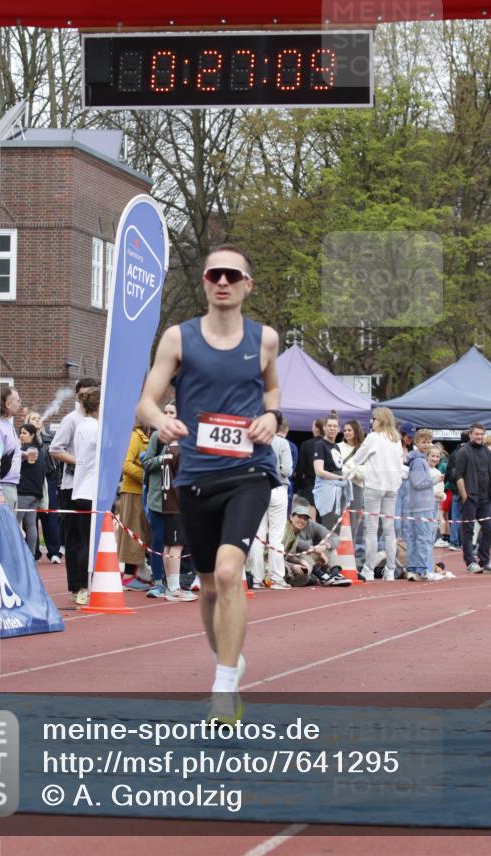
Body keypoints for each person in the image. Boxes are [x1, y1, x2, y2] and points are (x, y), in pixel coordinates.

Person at [137, 244, 280, 721]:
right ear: (203, 282)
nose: (223, 282)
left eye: (232, 276)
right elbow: (147, 401)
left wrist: (272, 416)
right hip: (196, 475)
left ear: (247, 285)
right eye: (214, 275)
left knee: (226, 572)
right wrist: (160, 420)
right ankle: (229, 658)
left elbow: (273, 388)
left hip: (249, 472)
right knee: (208, 587)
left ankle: (224, 686)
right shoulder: (178, 338)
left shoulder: (265, 340)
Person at [142, 401, 197, 602]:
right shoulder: (170, 444)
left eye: (171, 412)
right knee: (168, 543)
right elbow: (148, 463)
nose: (167, 415)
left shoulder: (180, 444)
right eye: (165, 412)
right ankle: (166, 585)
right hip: (169, 499)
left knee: (171, 543)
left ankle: (172, 584)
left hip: (171, 498)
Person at [49, 376, 100, 575]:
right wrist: (79, 461)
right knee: (75, 539)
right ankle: (77, 586)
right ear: (78, 396)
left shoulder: (98, 419)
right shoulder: (72, 419)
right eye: (83, 394)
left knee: (91, 537)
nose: (87, 398)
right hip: (73, 485)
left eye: (91, 394)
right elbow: (54, 449)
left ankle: (89, 582)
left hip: (92, 486)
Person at [349, 408, 403, 582]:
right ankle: (390, 570)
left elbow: (357, 459)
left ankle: (369, 569)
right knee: (389, 530)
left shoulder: (373, 438)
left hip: (374, 485)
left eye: (373, 419)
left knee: (371, 529)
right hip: (392, 486)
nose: (372, 422)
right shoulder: (396, 439)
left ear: (379, 420)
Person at [248, 422, 292, 589]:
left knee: (258, 536)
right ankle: (276, 578)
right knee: (276, 536)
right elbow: (287, 470)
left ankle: (257, 578)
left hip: (257, 488)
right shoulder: (282, 443)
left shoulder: (253, 441)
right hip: (278, 488)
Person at [67, 387, 100, 606]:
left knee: (81, 541)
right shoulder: (95, 429)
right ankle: (83, 587)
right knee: (87, 543)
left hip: (80, 489)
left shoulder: (82, 426)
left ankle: (81, 586)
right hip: (89, 491)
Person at [455, 423, 491, 574]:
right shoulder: (463, 452)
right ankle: (470, 562)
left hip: (485, 499)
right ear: (471, 434)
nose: (479, 436)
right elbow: (458, 475)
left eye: (481, 434)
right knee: (468, 530)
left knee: (489, 529)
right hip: (470, 498)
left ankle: (484, 561)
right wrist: (465, 496)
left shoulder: (487, 451)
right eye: (477, 434)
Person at [116, 423, 152, 590]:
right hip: (133, 492)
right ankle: (128, 577)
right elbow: (126, 463)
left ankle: (134, 573)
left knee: (140, 533)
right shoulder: (135, 436)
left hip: (141, 492)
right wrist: (146, 477)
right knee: (134, 533)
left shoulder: (144, 436)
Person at [283, 500, 351, 587]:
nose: (302, 520)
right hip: (293, 560)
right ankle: (318, 576)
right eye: (299, 516)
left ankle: (335, 574)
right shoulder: (284, 526)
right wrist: (315, 550)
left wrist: (324, 546)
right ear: (291, 515)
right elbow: (296, 543)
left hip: (304, 561)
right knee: (304, 553)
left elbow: (334, 537)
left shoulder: (310, 524)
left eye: (305, 517)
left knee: (330, 548)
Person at [26, 410, 61, 563]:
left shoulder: (50, 439)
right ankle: (33, 552)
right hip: (30, 480)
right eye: (33, 418)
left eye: (39, 418)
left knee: (50, 516)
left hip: (49, 480)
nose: (37, 420)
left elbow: (57, 462)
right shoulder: (23, 440)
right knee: (30, 518)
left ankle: (54, 552)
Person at [404, 428, 437, 581]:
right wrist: (434, 480)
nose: (427, 445)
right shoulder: (419, 462)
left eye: (429, 442)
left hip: (415, 505)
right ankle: (422, 569)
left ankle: (413, 568)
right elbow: (418, 483)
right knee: (423, 538)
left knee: (413, 538)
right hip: (422, 505)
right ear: (416, 442)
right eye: (423, 442)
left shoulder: (416, 460)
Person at [312, 413, 351, 532]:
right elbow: (319, 471)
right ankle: (326, 550)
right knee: (328, 525)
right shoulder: (319, 445)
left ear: (339, 429)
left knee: (336, 525)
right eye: (329, 426)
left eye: (335, 426)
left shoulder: (336, 446)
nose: (332, 428)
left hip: (338, 490)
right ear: (324, 427)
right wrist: (338, 478)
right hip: (327, 490)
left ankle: (332, 549)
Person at [0, 384, 21, 511]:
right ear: (7, 404)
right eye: (18, 401)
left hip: (11, 486)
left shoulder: (7, 424)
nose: (20, 404)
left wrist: (23, 455)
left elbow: (7, 453)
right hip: (4, 487)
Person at [338, 419, 365, 562]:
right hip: (341, 487)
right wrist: (353, 471)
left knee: (353, 524)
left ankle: (350, 559)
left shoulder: (363, 449)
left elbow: (365, 473)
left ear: (356, 431)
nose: (347, 432)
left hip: (357, 488)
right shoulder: (338, 447)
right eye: (345, 430)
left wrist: (350, 471)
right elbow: (338, 469)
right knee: (338, 522)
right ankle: (336, 556)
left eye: (350, 430)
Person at [17, 422, 45, 558]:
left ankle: (17, 555)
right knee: (31, 524)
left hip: (24, 492)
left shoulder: (27, 451)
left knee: (14, 523)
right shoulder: (39, 450)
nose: (21, 436)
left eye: (24, 433)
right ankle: (31, 555)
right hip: (36, 493)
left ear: (32, 435)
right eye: (20, 433)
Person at [394, 421, 416, 538]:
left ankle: (404, 549)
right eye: (408, 437)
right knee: (395, 521)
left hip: (408, 486)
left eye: (412, 437)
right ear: (402, 434)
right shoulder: (394, 447)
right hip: (397, 485)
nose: (410, 439)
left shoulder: (413, 449)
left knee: (406, 520)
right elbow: (396, 467)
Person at [296, 419, 324, 509]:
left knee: (309, 516)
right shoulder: (331, 445)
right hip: (326, 486)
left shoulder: (306, 444)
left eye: (313, 426)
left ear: (317, 429)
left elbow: (300, 468)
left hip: (309, 486)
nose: (312, 429)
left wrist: (298, 487)